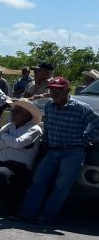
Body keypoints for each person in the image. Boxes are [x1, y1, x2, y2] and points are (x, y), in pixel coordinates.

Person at [17, 77, 99, 224]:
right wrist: (45, 143)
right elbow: (47, 126)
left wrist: (86, 139)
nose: (54, 93)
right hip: (52, 151)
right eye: (52, 90)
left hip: (73, 152)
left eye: (58, 90)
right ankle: (27, 214)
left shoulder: (81, 108)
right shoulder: (49, 106)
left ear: (67, 90)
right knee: (38, 181)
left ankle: (46, 216)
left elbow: (97, 124)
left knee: (61, 186)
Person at [0, 99, 42, 214]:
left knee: (0, 172)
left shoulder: (34, 129)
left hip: (19, 166)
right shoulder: (9, 126)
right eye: (13, 111)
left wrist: (4, 138)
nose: (13, 114)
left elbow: (18, 143)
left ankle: (6, 203)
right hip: (2, 162)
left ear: (27, 114)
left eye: (17, 112)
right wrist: (11, 141)